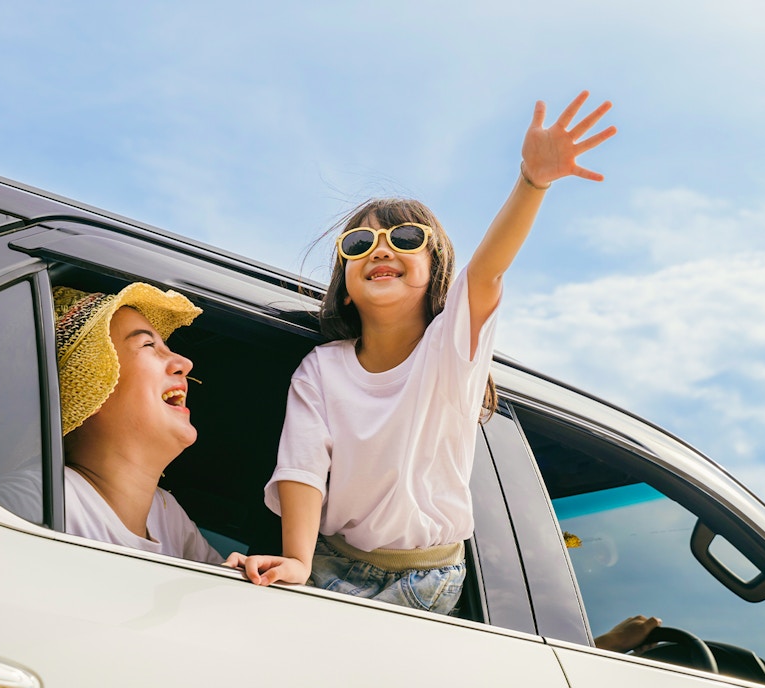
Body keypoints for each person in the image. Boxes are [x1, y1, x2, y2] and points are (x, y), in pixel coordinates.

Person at [224, 91, 617, 614]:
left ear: (436, 274)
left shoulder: (450, 351)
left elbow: (489, 270)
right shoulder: (322, 369)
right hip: (331, 560)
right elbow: (302, 469)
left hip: (425, 577)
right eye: (359, 245)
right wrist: (295, 561)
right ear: (344, 287)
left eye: (406, 238)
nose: (381, 248)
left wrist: (533, 181)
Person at [53, 282, 223, 565]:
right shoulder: (40, 498)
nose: (184, 362)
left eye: (167, 347)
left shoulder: (168, 516)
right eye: (148, 345)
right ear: (95, 389)